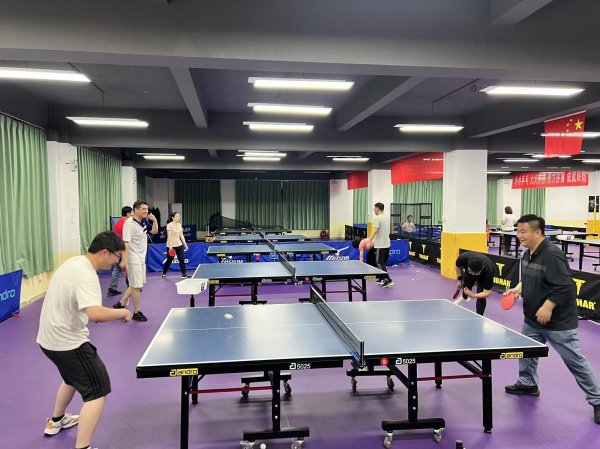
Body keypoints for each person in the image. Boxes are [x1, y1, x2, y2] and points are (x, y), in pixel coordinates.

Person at [37, 231, 132, 449]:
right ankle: (83, 446)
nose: (117, 262)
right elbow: (95, 314)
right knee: (98, 389)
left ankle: (56, 421)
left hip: (47, 340)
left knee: (72, 378)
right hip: (67, 343)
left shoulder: (74, 262)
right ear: (105, 252)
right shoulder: (87, 275)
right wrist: (123, 312)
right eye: (116, 257)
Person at [504, 214, 600, 424]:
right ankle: (528, 384)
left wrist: (548, 306)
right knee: (526, 353)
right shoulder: (527, 253)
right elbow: (527, 278)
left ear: (538, 232)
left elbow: (565, 286)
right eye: (518, 231)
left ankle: (598, 401)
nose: (519, 235)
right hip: (532, 319)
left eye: (523, 231)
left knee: (575, 361)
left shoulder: (552, 254)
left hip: (558, 323)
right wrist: (518, 289)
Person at [113, 200, 158, 322]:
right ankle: (137, 312)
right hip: (133, 259)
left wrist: (154, 220)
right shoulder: (129, 223)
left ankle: (122, 303)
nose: (146, 211)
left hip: (141, 258)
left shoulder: (143, 221)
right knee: (137, 286)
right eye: (143, 209)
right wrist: (124, 261)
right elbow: (126, 243)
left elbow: (154, 232)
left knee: (135, 284)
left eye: (147, 209)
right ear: (136, 210)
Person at [453, 251, 495, 315]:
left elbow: (487, 292)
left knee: (480, 296)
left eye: (476, 273)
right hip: (472, 271)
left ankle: (479, 316)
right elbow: (457, 266)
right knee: (466, 285)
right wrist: (459, 280)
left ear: (482, 268)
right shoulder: (463, 258)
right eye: (472, 272)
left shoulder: (489, 271)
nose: (473, 275)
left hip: (483, 275)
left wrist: (472, 295)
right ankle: (464, 298)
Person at [107, 206, 133, 296]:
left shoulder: (117, 223)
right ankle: (130, 286)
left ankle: (112, 288)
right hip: (122, 249)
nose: (132, 215)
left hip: (116, 249)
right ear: (128, 213)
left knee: (117, 269)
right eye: (131, 213)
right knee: (127, 268)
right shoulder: (126, 223)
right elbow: (126, 238)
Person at [370, 202, 393, 287]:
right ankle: (381, 278)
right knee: (383, 263)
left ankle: (387, 280)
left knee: (379, 262)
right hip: (387, 244)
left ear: (377, 208)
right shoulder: (386, 217)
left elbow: (374, 230)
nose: (374, 210)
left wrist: (369, 240)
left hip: (380, 245)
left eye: (374, 208)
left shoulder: (377, 218)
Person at [162, 212, 189, 279]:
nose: (179, 218)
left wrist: (185, 244)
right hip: (171, 245)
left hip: (179, 244)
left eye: (179, 216)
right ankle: (164, 273)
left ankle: (184, 274)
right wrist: (171, 247)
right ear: (173, 218)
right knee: (169, 260)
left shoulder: (179, 225)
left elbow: (181, 235)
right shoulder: (169, 225)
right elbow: (169, 237)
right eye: (177, 216)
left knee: (181, 259)